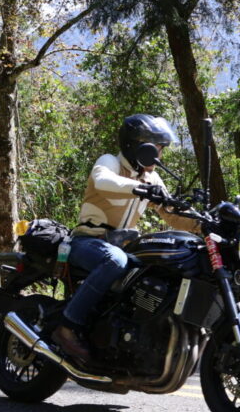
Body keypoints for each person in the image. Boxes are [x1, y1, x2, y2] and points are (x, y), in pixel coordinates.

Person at [51, 114, 200, 364]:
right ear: (138, 147)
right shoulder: (110, 162)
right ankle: (67, 326)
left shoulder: (151, 178)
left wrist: (203, 224)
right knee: (115, 261)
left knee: (156, 273)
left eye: (161, 150)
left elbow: (170, 214)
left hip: (123, 246)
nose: (159, 157)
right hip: (87, 241)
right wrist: (137, 187)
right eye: (156, 149)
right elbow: (103, 181)